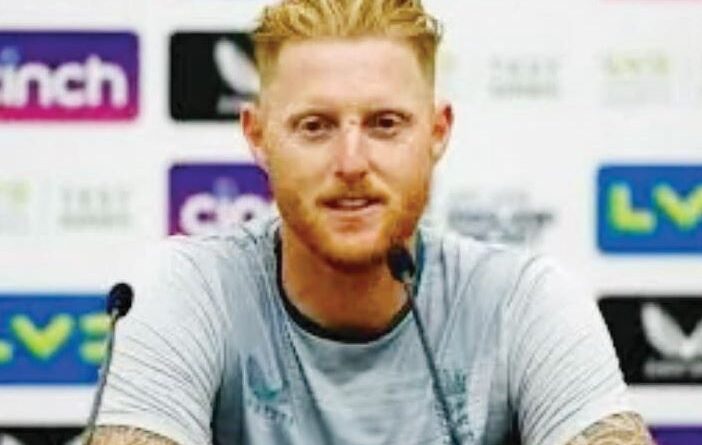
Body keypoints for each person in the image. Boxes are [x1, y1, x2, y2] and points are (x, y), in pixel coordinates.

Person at [92, 1, 656, 444]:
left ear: (437, 132)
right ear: (258, 137)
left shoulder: (522, 302)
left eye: (385, 124)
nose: (351, 163)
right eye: (315, 126)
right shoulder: (194, 287)